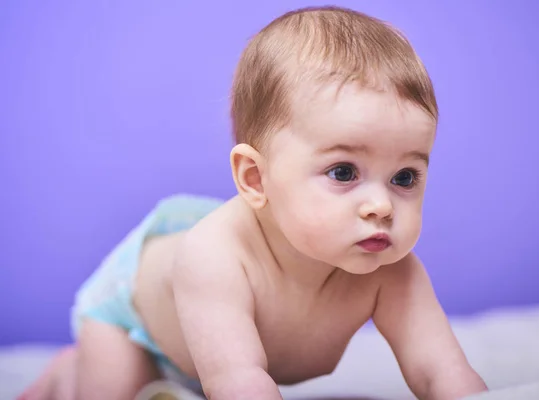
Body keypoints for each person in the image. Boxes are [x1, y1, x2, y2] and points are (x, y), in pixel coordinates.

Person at [20, 5, 488, 400]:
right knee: (116, 386)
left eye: (404, 177)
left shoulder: (394, 272)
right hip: (132, 316)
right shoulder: (216, 257)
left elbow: (441, 372)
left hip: (206, 344)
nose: (381, 205)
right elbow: (236, 381)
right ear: (255, 178)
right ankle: (69, 372)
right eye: (343, 172)